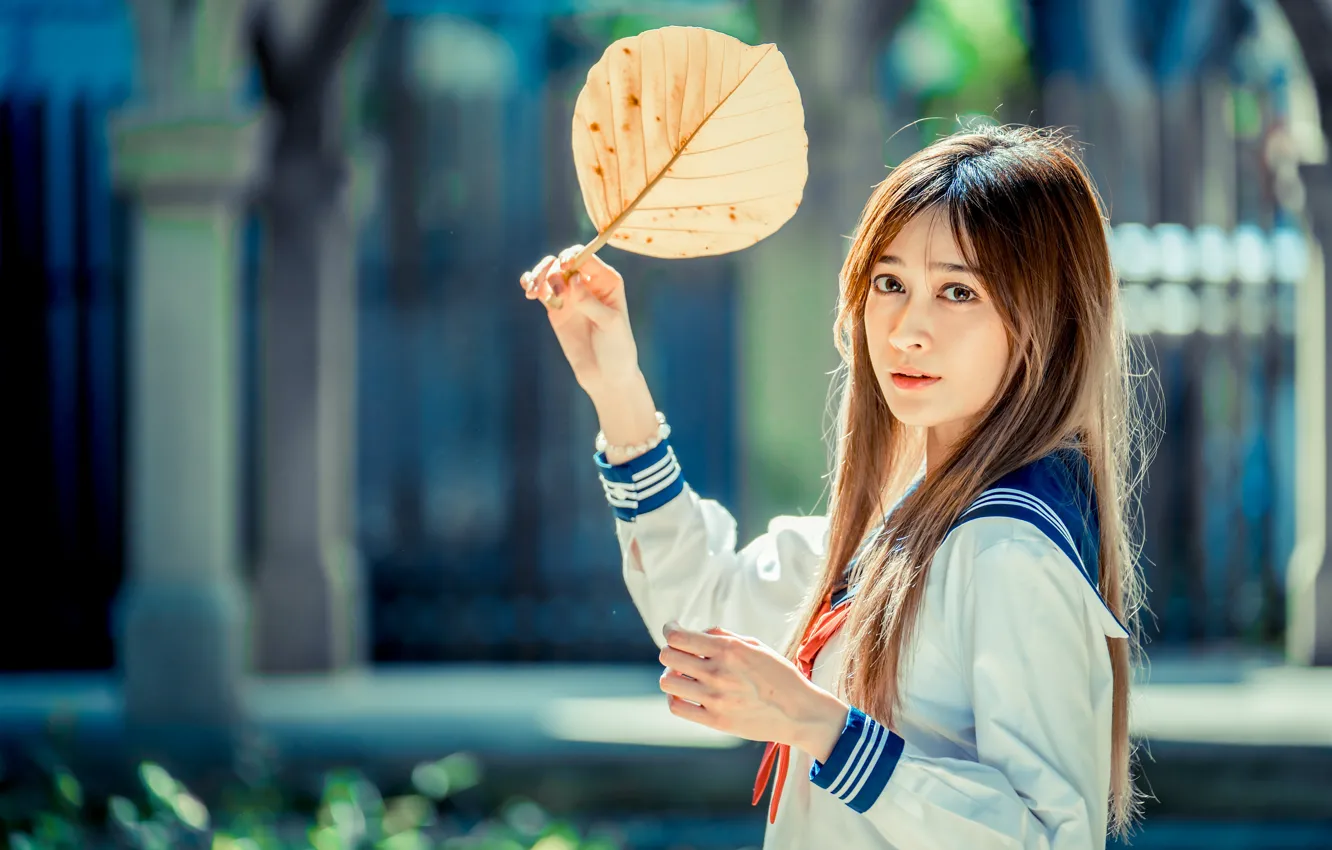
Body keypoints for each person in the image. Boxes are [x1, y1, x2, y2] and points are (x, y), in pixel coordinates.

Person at [519, 124, 1152, 850]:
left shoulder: (1007, 548)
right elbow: (703, 618)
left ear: (1050, 318)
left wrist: (822, 727)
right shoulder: (906, 522)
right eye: (890, 283)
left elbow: (1051, 838)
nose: (908, 328)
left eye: (958, 291)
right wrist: (616, 385)